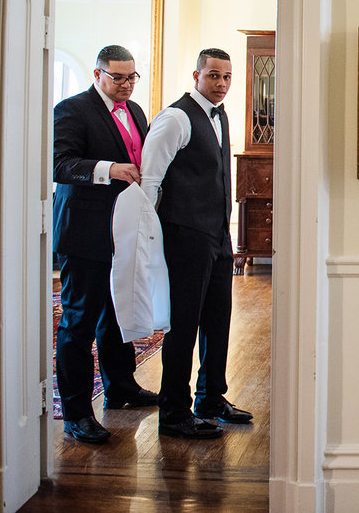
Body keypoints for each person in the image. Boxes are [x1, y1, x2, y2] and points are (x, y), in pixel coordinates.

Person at [141, 48, 252, 439]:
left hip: (218, 236)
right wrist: (150, 238)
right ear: (196, 75)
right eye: (214, 75)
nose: (221, 83)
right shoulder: (175, 118)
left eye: (227, 77)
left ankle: (210, 398)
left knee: (218, 321)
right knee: (183, 326)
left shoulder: (219, 117)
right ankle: (173, 414)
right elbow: (150, 181)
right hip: (184, 236)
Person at [52, 45, 159, 445]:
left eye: (132, 77)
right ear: (98, 75)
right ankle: (77, 413)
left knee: (118, 310)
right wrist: (108, 169)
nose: (127, 85)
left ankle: (121, 388)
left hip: (125, 228)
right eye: (118, 78)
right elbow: (59, 163)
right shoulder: (72, 109)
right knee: (79, 321)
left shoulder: (135, 112)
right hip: (84, 231)